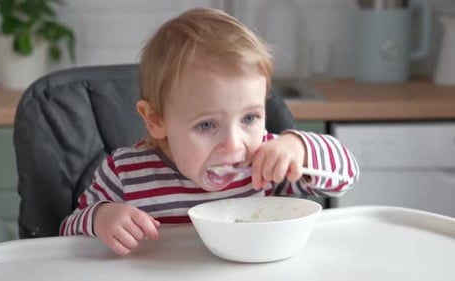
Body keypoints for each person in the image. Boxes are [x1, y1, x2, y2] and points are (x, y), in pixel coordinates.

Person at [60, 7, 359, 255]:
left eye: (250, 118)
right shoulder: (125, 174)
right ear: (155, 119)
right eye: (207, 125)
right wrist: (100, 218)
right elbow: (67, 232)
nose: (234, 144)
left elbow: (346, 177)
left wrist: (299, 148)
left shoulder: (267, 164)